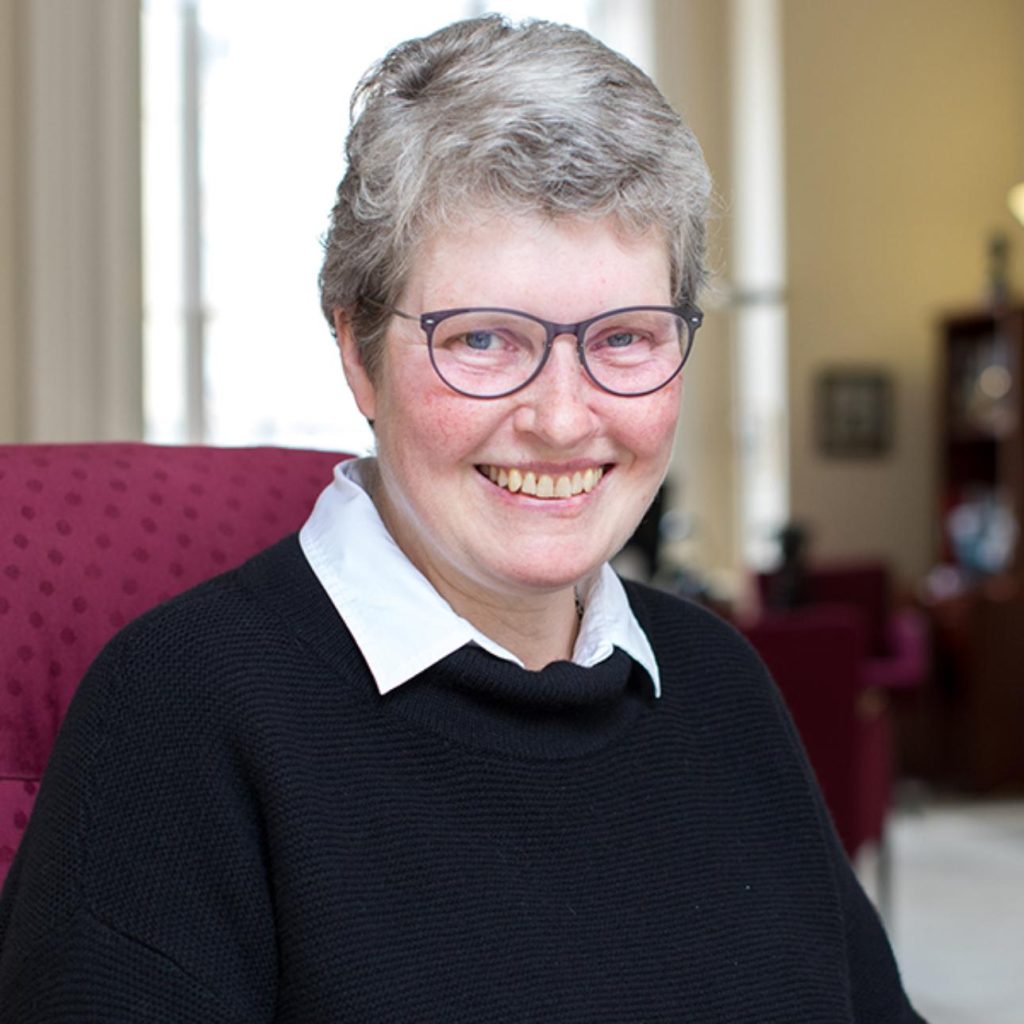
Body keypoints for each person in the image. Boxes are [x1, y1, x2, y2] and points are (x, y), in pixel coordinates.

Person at [0, 15, 924, 1022]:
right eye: (482, 338)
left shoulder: (720, 684)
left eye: (623, 337)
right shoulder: (176, 717)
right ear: (356, 351)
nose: (562, 418)